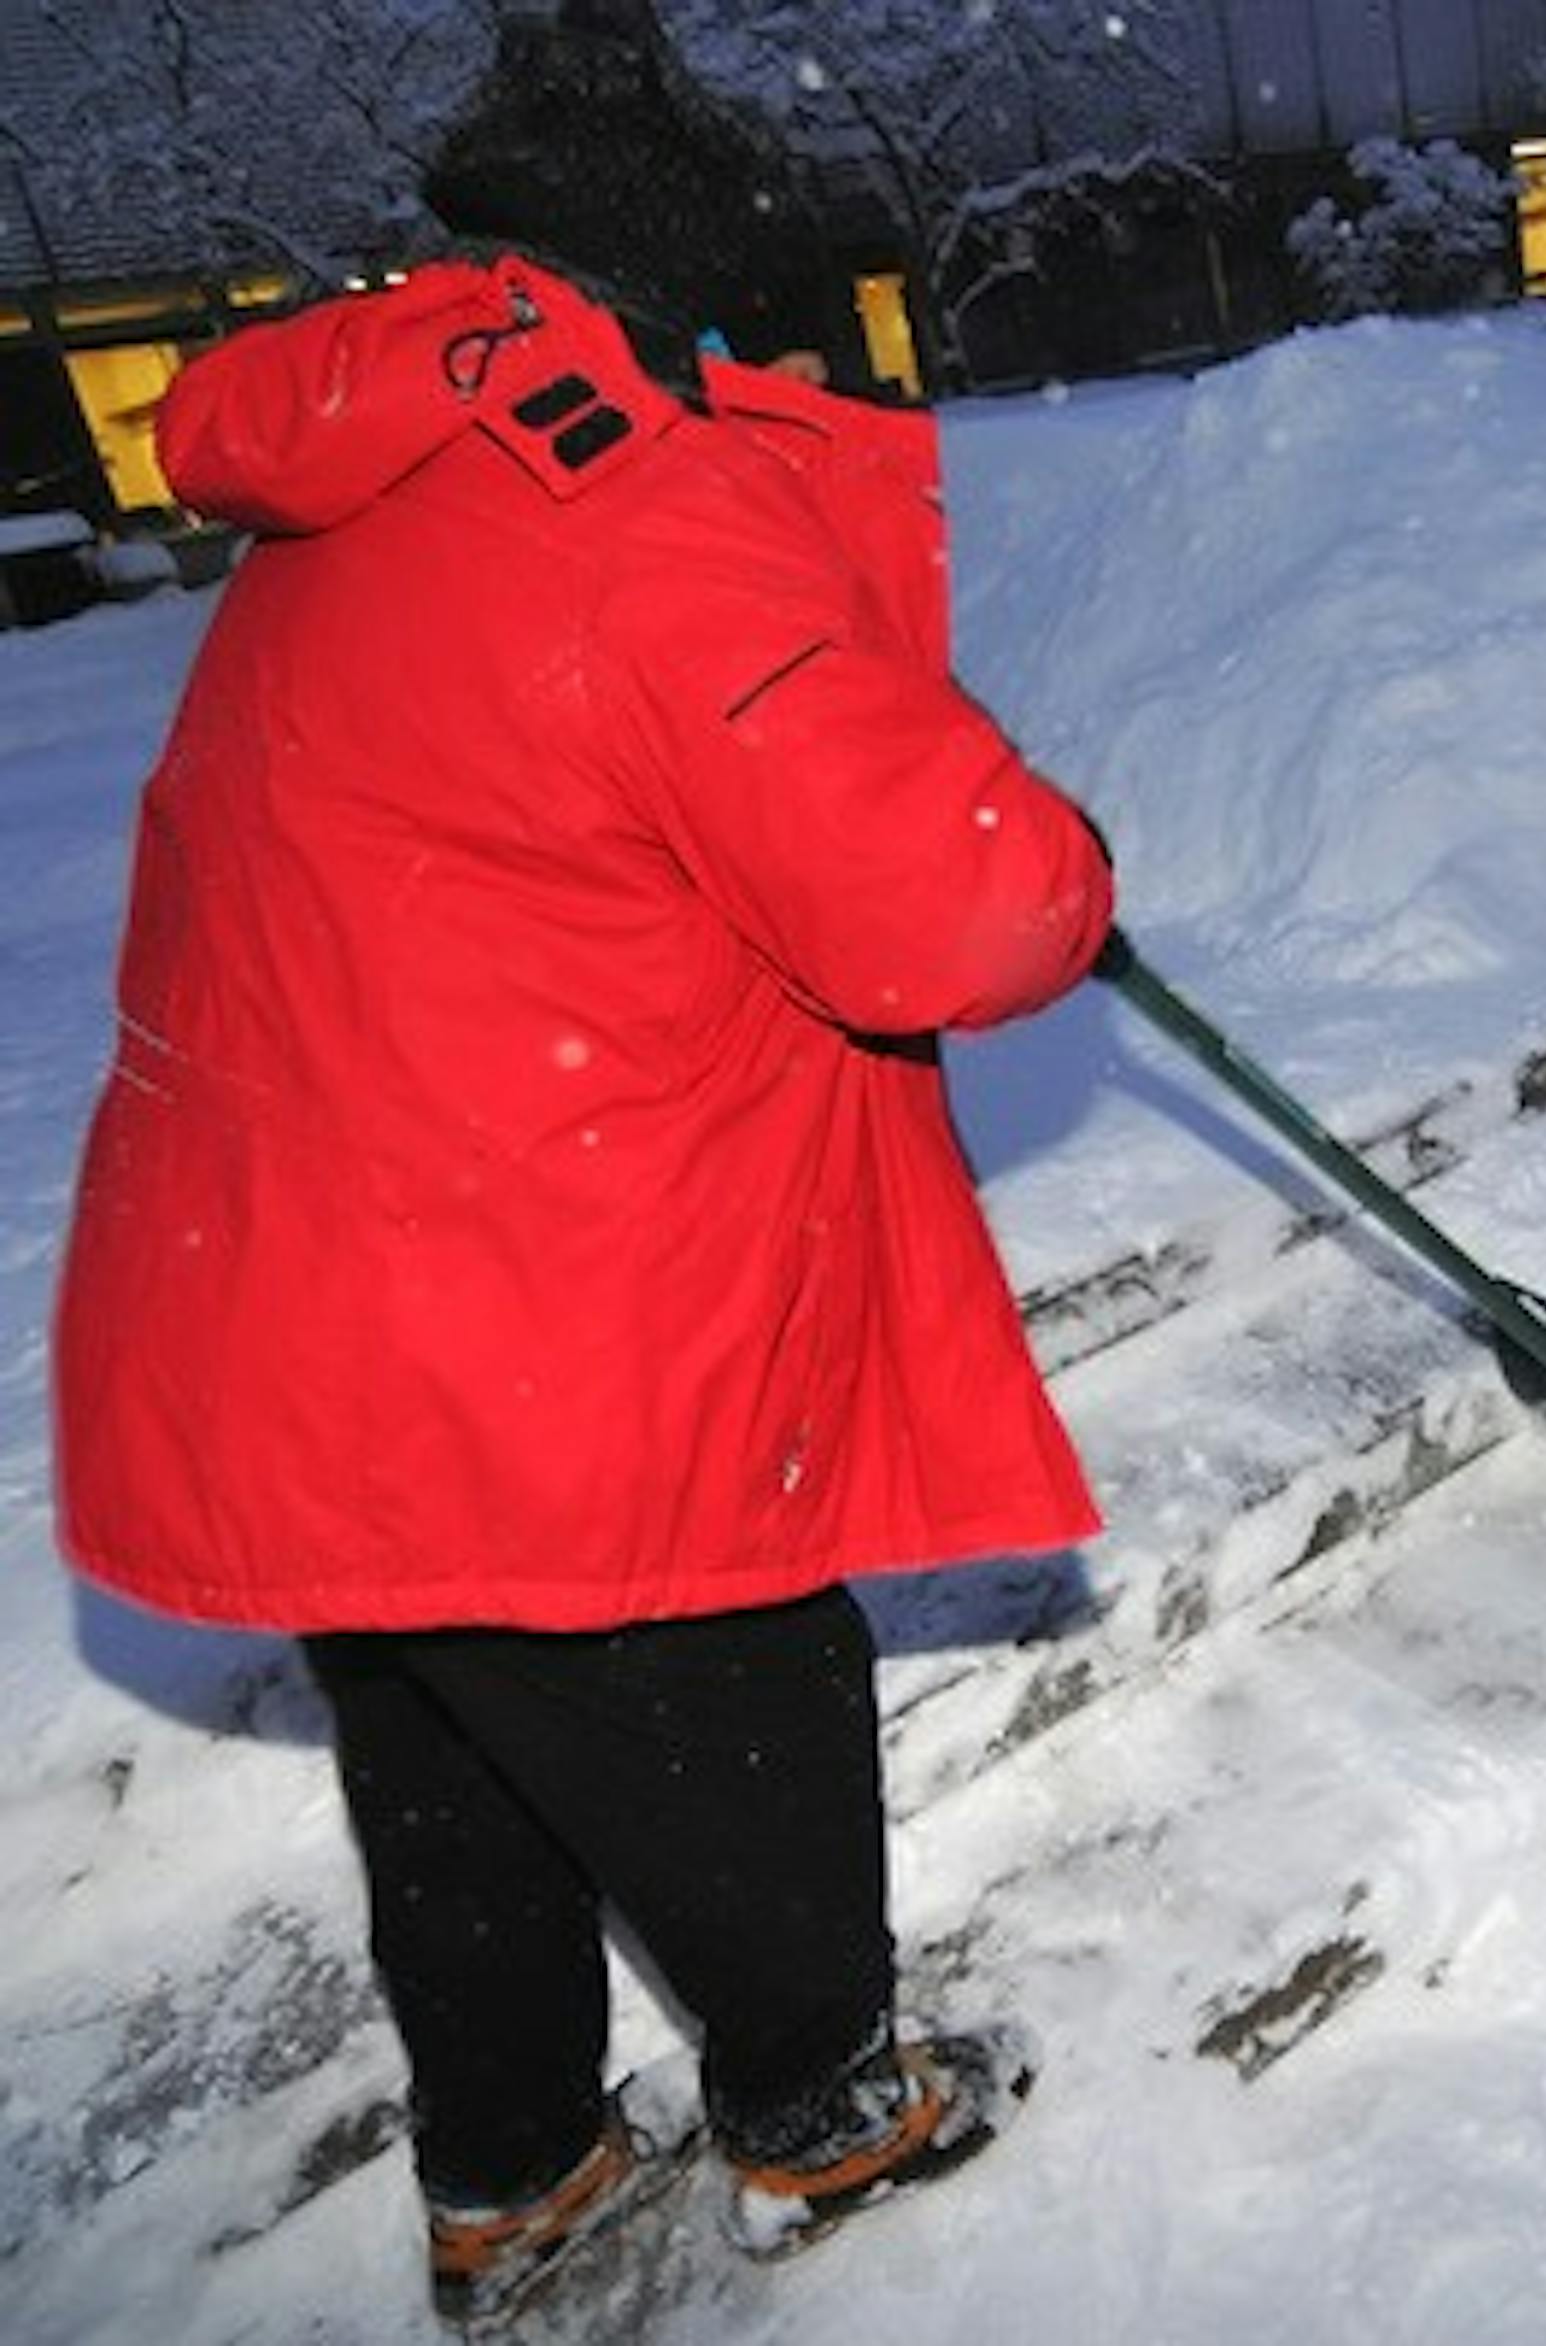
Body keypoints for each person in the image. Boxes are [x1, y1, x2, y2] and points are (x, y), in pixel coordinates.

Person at [50, 20, 1113, 2328]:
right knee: (723, 1691)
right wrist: (1056, 852)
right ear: (679, 280)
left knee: (452, 1755)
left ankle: (516, 2165)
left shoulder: (377, 459)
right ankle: (824, 2109)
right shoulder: (630, 498)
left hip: (317, 1269)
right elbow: (944, 904)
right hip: (549, 1282)